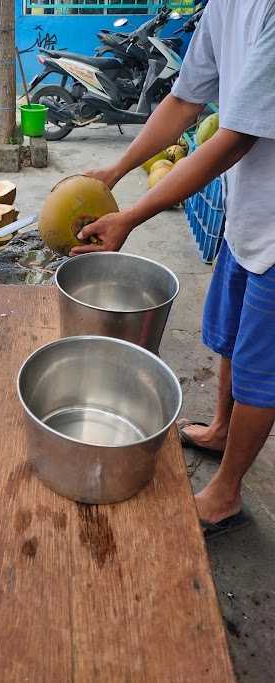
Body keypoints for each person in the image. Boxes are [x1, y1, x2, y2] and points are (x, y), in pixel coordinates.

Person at [72, 0, 275, 538]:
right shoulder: (223, 7)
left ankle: (226, 495)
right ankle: (220, 429)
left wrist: (133, 216)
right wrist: (117, 170)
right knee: (230, 337)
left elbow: (237, 136)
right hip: (252, 208)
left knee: (261, 371)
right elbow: (186, 100)